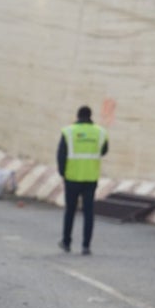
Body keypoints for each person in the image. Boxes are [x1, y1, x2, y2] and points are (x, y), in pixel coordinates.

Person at [57, 105, 109, 256]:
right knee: (88, 212)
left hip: (72, 178)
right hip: (91, 178)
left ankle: (66, 242)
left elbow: (61, 155)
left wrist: (63, 173)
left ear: (78, 116)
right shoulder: (100, 132)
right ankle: (86, 246)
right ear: (90, 116)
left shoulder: (68, 132)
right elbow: (104, 151)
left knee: (70, 211)